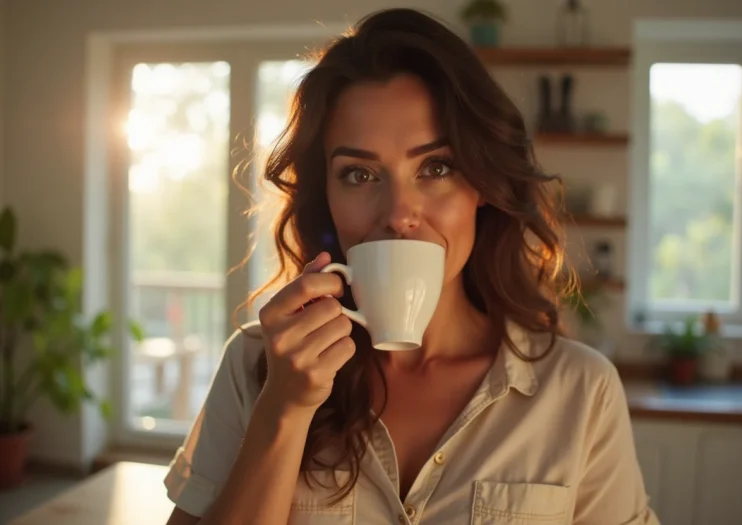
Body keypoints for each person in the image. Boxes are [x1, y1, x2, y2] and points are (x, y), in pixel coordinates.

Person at [164, 8, 660, 525]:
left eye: (436, 167)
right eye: (359, 174)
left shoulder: (581, 389)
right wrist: (283, 412)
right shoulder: (257, 365)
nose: (399, 214)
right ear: (325, 196)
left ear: (483, 184)